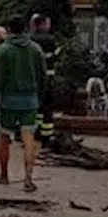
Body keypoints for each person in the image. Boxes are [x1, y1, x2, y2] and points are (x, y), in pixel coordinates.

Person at [0, 15, 48, 191]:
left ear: (9, 29)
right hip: (30, 100)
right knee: (29, 139)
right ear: (26, 28)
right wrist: (40, 97)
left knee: (4, 137)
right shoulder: (35, 49)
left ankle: (4, 175)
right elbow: (42, 76)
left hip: (7, 101)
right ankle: (28, 178)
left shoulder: (3, 51)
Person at [30, 14, 59, 146]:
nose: (49, 26)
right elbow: (56, 56)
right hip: (48, 79)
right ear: (41, 24)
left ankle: (35, 132)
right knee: (47, 108)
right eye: (47, 23)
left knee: (36, 108)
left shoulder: (30, 40)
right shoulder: (50, 40)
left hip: (33, 80)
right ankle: (47, 136)